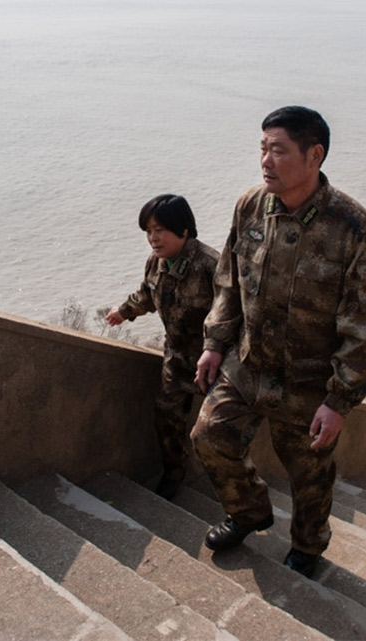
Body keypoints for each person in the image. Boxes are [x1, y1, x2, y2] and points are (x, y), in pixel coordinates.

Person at [190, 106, 366, 578]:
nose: (266, 160)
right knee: (209, 437)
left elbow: (364, 323)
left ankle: (308, 546)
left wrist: (338, 400)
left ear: (314, 155)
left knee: (309, 475)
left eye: (278, 150)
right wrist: (215, 342)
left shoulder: (355, 229)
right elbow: (229, 282)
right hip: (249, 364)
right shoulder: (250, 206)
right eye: (262, 149)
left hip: (309, 382)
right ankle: (249, 511)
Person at [107, 194, 220, 499]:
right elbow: (147, 294)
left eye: (160, 230)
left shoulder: (211, 266)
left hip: (216, 362)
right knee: (166, 417)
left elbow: (237, 312)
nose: (153, 238)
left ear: (183, 230)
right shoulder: (156, 264)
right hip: (177, 359)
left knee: (217, 429)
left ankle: (231, 487)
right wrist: (123, 312)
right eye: (148, 231)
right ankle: (173, 474)